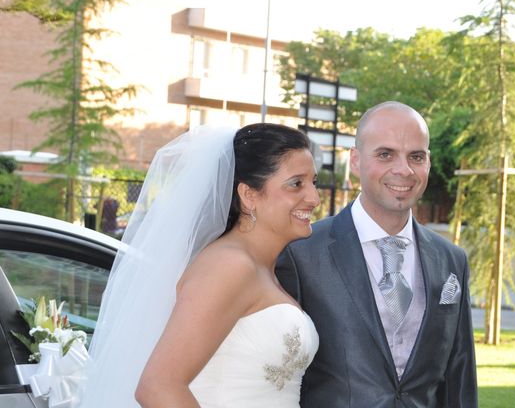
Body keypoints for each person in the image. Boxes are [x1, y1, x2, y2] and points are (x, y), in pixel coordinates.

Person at [80, 123, 321, 407]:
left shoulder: (263, 268)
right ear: (249, 195)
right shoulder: (229, 265)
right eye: (296, 184)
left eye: (313, 182)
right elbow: (158, 387)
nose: (314, 198)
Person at [277, 101, 478, 407]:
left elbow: (459, 377)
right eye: (385, 154)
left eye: (416, 156)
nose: (404, 169)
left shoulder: (452, 260)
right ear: (355, 161)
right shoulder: (300, 253)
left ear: (428, 162)